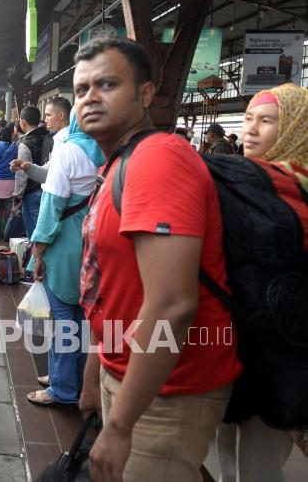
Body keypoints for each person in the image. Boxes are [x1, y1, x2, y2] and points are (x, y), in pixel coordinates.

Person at [74, 36, 240, 482]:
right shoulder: (117, 166)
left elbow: (172, 305)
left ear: (145, 95)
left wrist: (121, 424)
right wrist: (96, 373)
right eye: (81, 89)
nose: (90, 96)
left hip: (165, 392)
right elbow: (109, 287)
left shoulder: (158, 160)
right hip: (131, 378)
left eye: (107, 84)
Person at [215, 83, 308, 482]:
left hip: (282, 354)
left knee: (261, 462)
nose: (251, 130)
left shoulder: (295, 190)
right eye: (248, 119)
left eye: (267, 121)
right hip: (224, 340)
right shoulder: (235, 181)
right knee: (220, 446)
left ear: (297, 129)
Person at [24, 107, 103, 407]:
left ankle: (62, 389)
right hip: (93, 246)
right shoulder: (108, 152)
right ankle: (73, 378)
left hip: (66, 249)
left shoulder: (67, 151)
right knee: (83, 320)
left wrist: (39, 252)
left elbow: (51, 208)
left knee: (62, 323)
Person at [12, 105, 53, 239]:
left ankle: (36, 259)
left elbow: (21, 174)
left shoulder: (25, 144)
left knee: (34, 236)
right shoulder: (50, 138)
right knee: (45, 233)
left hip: (32, 194)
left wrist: (17, 199)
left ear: (22, 122)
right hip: (49, 191)